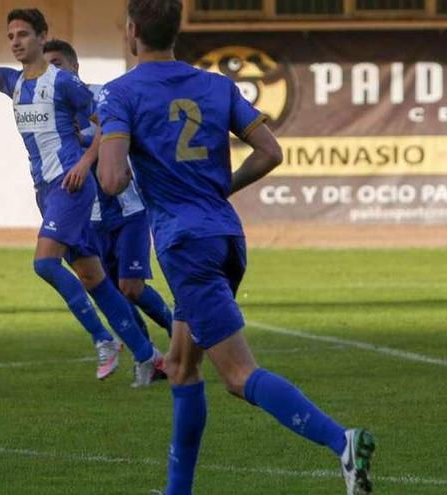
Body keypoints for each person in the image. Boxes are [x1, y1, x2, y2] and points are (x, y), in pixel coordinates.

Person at [96, 1, 375, 493]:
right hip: (225, 236)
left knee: (239, 375)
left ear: (132, 31)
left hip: (185, 247)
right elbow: (270, 151)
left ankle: (342, 441)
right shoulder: (217, 85)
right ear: (175, 31)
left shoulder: (119, 94)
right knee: (181, 367)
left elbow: (114, 178)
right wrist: (221, 187)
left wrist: (108, 149)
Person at [0, 0, 163, 387]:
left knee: (44, 264)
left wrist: (84, 162)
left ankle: (103, 339)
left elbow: (104, 120)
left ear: (42, 38)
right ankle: (148, 357)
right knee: (94, 279)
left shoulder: (62, 82)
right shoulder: (13, 83)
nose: (15, 41)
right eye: (10, 36)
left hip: (71, 185)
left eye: (23, 34)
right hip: (45, 189)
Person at [42, 39, 173, 340]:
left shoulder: (103, 96)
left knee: (132, 286)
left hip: (127, 208)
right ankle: (151, 358)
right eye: (47, 67)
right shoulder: (52, 111)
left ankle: (177, 330)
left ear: (74, 67)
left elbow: (118, 137)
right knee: (113, 291)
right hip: (91, 216)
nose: (53, 72)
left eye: (57, 64)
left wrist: (85, 143)